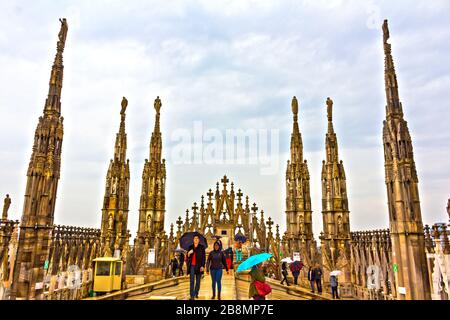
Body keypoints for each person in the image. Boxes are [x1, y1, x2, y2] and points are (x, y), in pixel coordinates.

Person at [187, 235, 206, 300]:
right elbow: (187, 257)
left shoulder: (201, 247)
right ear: (193, 239)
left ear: (199, 240)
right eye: (195, 238)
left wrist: (203, 266)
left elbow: (204, 258)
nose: (196, 239)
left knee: (198, 281)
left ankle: (196, 293)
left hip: (199, 266)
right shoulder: (190, 247)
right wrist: (189, 253)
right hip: (192, 266)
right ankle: (192, 295)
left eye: (197, 238)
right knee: (192, 281)